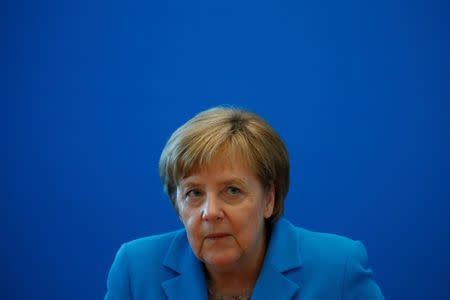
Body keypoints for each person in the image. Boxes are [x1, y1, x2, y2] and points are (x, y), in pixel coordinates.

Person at [104, 106, 385, 300]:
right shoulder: (136, 269)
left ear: (269, 200)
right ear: (177, 205)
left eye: (233, 191)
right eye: (194, 193)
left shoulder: (338, 269)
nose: (210, 212)